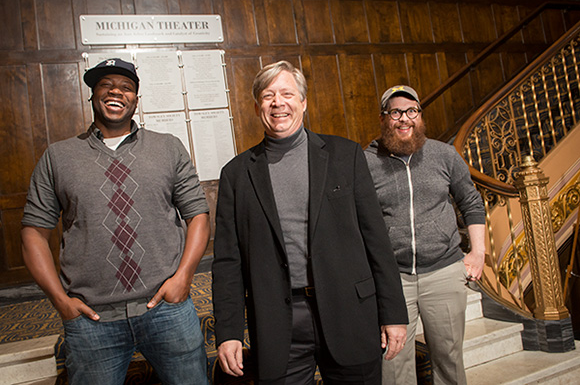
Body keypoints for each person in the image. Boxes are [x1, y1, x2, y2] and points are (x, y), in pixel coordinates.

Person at [212, 60, 408, 384]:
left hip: (350, 311)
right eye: (268, 95)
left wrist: (393, 314)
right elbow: (228, 262)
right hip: (279, 321)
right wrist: (228, 331)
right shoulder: (236, 175)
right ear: (257, 105)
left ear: (303, 102)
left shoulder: (345, 155)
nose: (278, 103)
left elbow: (377, 241)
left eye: (287, 93)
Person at [21, 58, 211, 385]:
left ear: (136, 100)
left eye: (126, 87)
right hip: (91, 323)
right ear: (92, 96)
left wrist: (184, 277)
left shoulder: (168, 147)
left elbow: (198, 215)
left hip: (167, 312)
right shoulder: (58, 156)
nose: (116, 92)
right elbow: (33, 233)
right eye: (106, 85)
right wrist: (60, 301)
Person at [364, 85, 486, 385]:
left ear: (420, 116)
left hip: (444, 272)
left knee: (449, 359)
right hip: (394, 280)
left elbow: (471, 202)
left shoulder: (444, 155)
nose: (404, 119)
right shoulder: (365, 162)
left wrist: (477, 252)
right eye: (395, 112)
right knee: (393, 363)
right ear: (383, 119)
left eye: (412, 111)